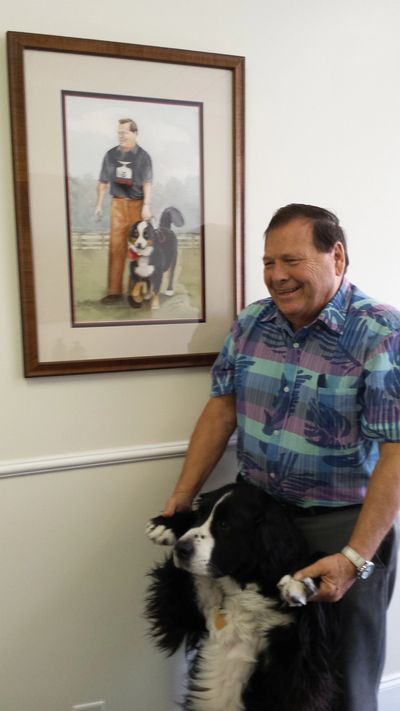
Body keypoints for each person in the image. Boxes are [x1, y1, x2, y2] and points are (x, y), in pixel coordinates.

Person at [162, 204, 400, 711]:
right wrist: (183, 499)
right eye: (268, 262)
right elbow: (221, 410)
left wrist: (355, 559)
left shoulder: (382, 335)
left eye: (290, 260)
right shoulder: (251, 323)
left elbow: (396, 455)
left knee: (343, 679)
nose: (276, 276)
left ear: (336, 255)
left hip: (342, 533)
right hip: (256, 527)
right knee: (257, 674)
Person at [95, 118, 153, 304]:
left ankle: (134, 291)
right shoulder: (110, 155)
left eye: (125, 132)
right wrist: (98, 205)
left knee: (138, 249)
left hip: (137, 204)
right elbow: (103, 182)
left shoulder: (143, 156)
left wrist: (146, 205)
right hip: (118, 204)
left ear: (135, 133)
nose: (121, 135)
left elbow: (147, 183)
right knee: (116, 247)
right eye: (119, 132)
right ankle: (114, 292)